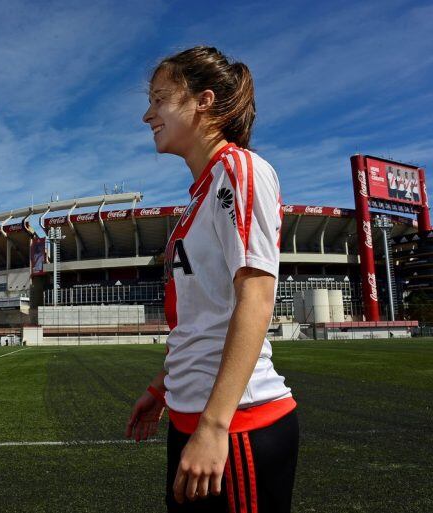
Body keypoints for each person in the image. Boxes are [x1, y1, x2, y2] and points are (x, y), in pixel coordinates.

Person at [126, 46, 299, 513]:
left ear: (203, 101)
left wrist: (215, 426)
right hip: (195, 417)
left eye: (160, 99)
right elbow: (205, 317)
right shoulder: (202, 194)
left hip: (236, 424)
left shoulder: (239, 170)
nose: (148, 115)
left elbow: (257, 298)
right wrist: (163, 386)